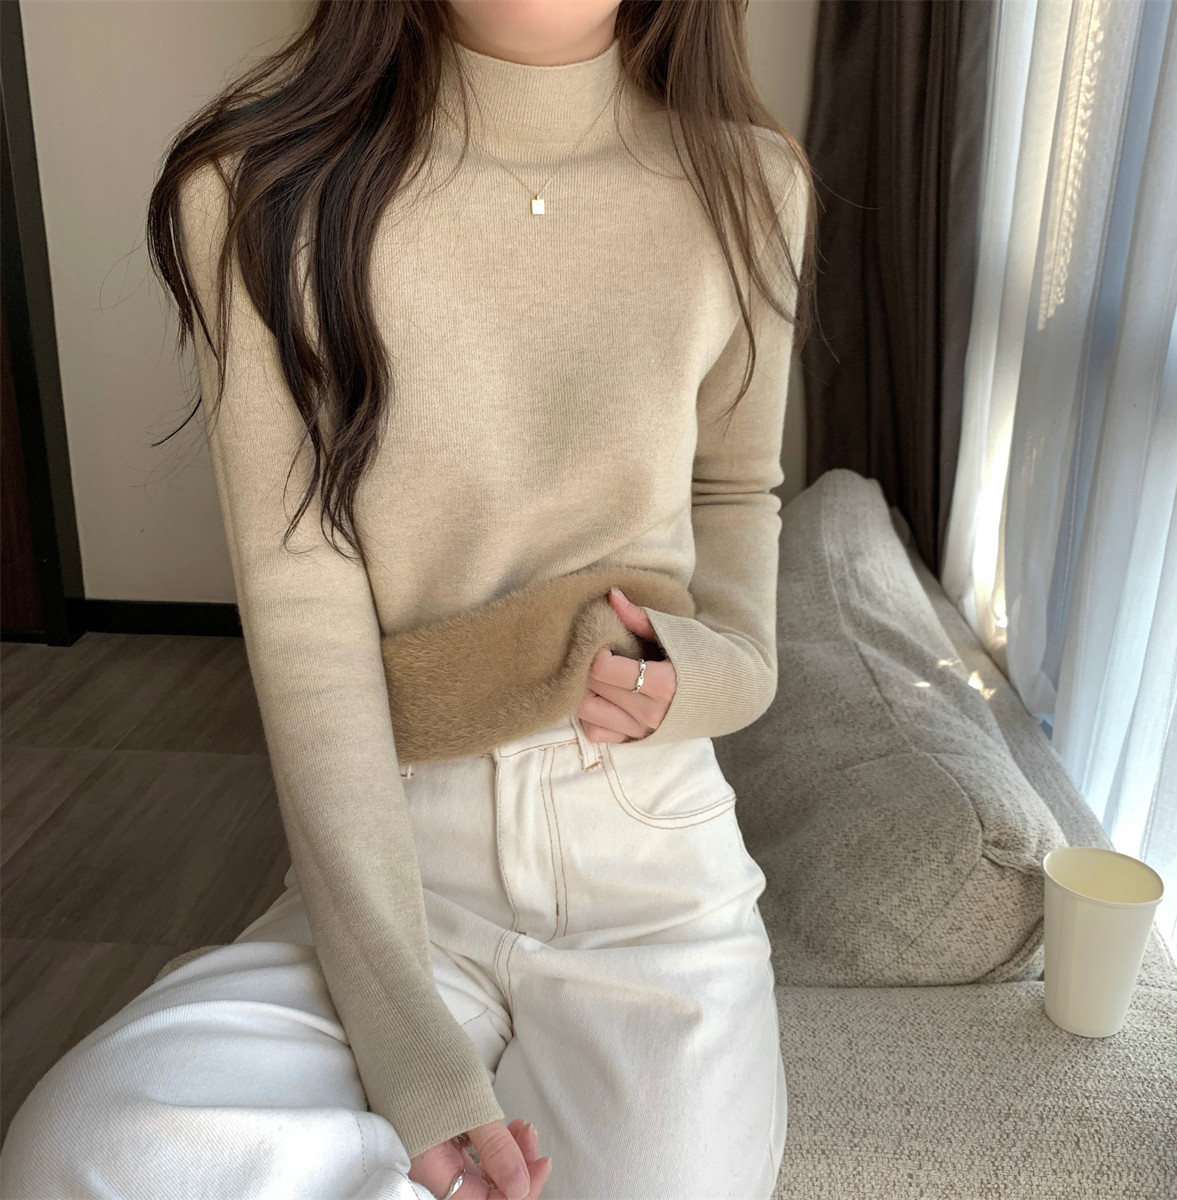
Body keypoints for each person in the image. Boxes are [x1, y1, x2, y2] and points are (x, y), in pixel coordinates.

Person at [0, 1, 814, 1197]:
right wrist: (410, 1053)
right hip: (398, 849)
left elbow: (737, 489)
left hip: (653, 858)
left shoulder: (751, 181)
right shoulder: (259, 189)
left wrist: (716, 673)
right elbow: (303, 612)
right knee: (85, 1155)